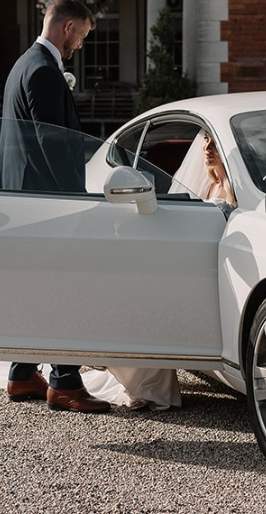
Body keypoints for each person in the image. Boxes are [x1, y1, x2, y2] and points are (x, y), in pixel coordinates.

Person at [0, 0, 110, 414]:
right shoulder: (43, 71)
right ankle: (64, 382)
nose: (79, 44)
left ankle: (22, 373)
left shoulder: (23, 65)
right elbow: (53, 144)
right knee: (65, 288)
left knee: (38, 288)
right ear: (67, 27)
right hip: (46, 203)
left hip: (24, 199)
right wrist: (76, 204)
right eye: (81, 35)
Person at [83, 130, 235, 411]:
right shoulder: (204, 187)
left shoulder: (236, 192)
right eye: (205, 142)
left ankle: (148, 383)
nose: (208, 149)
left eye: (216, 143)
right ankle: (141, 382)